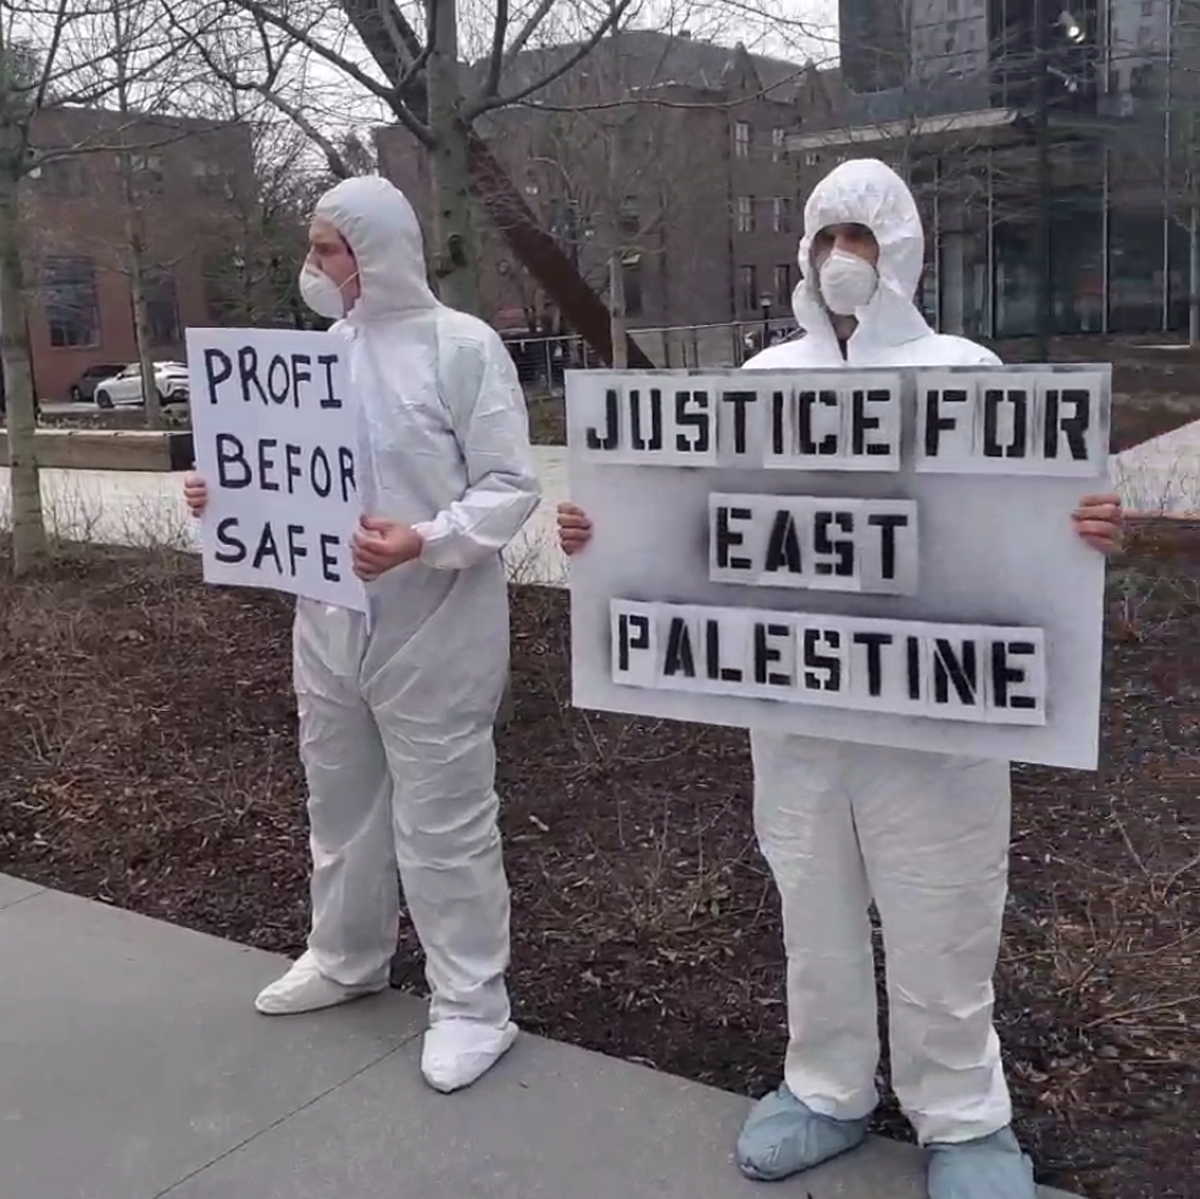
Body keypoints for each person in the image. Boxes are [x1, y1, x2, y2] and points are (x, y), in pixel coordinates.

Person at [556, 158, 1123, 1198]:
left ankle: (964, 1115)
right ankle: (826, 1084)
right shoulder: (766, 380)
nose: (839, 258)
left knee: (942, 911)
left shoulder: (966, 370)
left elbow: (1033, 514)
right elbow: (697, 518)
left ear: (898, 248)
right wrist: (609, 531)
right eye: (824, 237)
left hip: (939, 727)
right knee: (811, 905)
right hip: (800, 713)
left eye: (859, 236)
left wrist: (1085, 523)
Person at [185, 176, 541, 1094]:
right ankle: (346, 955)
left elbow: (509, 485)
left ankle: (473, 1005)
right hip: (330, 620)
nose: (316, 265)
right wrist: (223, 495)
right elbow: (285, 478)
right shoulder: (318, 357)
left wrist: (424, 539)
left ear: (378, 249)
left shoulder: (460, 349)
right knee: (339, 805)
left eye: (329, 246)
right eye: (312, 246)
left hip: (436, 625)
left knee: (446, 821)